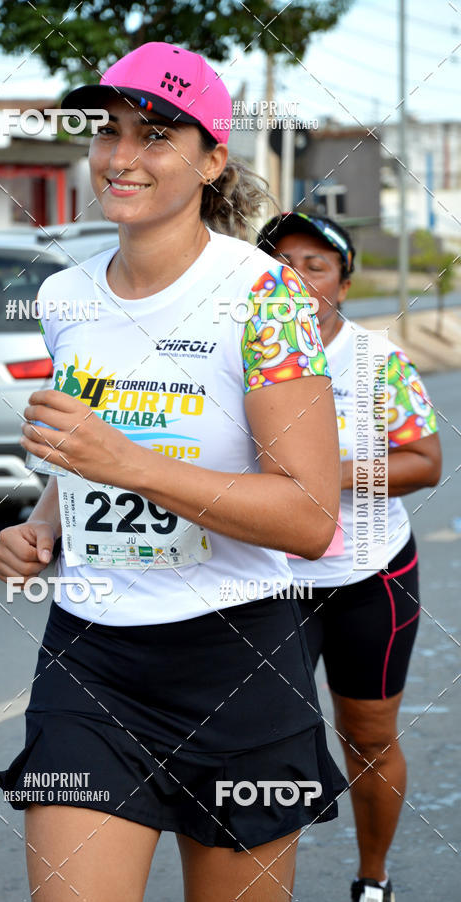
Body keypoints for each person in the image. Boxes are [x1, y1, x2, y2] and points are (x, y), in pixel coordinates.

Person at [0, 43, 348, 902]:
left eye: (156, 135)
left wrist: (131, 465)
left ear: (213, 158)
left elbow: (307, 518)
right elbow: (90, 450)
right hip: (92, 655)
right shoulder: (65, 296)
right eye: (107, 132)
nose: (121, 157)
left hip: (236, 659)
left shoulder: (265, 298)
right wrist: (47, 520)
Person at [257, 212, 442, 902]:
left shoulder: (374, 359)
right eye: (282, 264)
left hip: (370, 574)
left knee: (365, 738)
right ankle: (264, 882)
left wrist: (328, 472)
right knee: (265, 742)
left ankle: (372, 879)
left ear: (344, 281)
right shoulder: (236, 356)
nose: (298, 279)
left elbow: (426, 463)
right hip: (271, 579)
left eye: (316, 264)